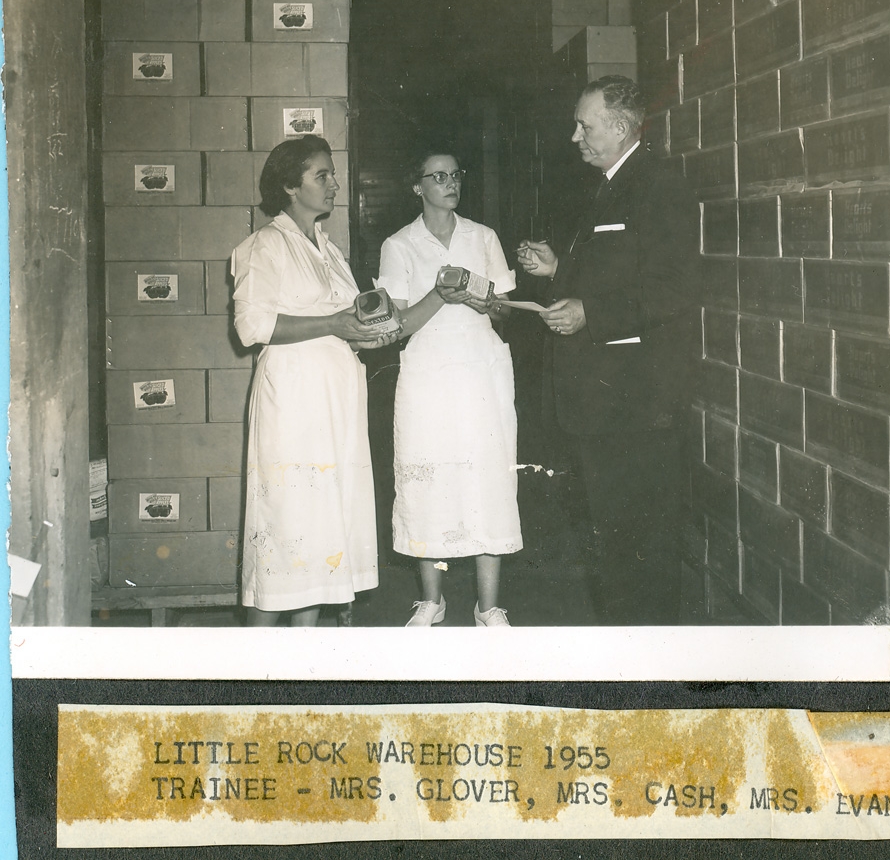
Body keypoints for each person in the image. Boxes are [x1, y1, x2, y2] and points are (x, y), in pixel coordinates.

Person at [517, 75, 698, 625]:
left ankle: (648, 655)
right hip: (605, 404)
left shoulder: (657, 184)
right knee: (618, 546)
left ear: (619, 128)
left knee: (639, 546)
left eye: (585, 126)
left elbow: (674, 288)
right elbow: (616, 272)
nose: (575, 137)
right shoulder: (607, 184)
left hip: (634, 403)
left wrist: (590, 313)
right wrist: (558, 269)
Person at [231, 135, 400, 627]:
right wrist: (333, 324)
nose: (333, 184)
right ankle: (254, 663)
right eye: (321, 175)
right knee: (286, 529)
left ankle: (304, 657)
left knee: (323, 530)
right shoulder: (264, 245)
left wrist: (369, 335)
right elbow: (252, 326)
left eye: (333, 174)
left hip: (337, 402)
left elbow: (346, 324)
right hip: (293, 403)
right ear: (289, 185)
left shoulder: (330, 250)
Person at [377, 151, 522, 627]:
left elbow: (506, 311)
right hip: (427, 375)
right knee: (429, 481)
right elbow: (396, 326)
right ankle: (432, 601)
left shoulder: (483, 237)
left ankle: (488, 606)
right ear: (417, 187)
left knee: (487, 478)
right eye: (437, 176)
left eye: (455, 174)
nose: (450, 182)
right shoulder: (399, 245)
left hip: (481, 371)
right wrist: (439, 295)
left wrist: (482, 300)